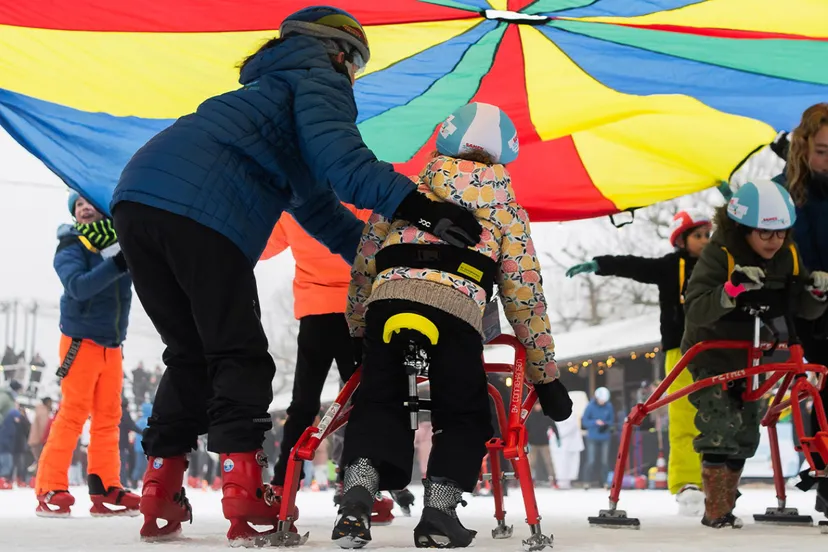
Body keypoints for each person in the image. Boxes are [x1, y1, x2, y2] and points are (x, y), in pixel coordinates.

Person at [109, 6, 481, 544]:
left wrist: (381, 264)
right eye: (353, 63)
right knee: (238, 354)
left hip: (137, 198)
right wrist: (423, 210)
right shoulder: (318, 78)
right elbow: (347, 166)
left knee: (189, 352)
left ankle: (159, 485)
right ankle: (242, 489)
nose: (351, 74)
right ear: (338, 52)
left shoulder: (271, 96)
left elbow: (321, 209)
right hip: (202, 210)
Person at [333, 102, 572, 548]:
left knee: (379, 399)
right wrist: (545, 376)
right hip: (455, 310)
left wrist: (358, 328)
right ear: (504, 154)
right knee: (464, 410)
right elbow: (525, 298)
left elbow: (365, 261)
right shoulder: (507, 212)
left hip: (389, 301)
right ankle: (439, 514)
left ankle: (356, 498)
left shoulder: (408, 192)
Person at [682, 179, 828, 528]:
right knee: (719, 423)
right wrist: (731, 288)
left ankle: (726, 505)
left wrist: (817, 294)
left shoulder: (787, 256)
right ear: (743, 229)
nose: (774, 242)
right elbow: (696, 309)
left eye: (780, 234)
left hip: (753, 354)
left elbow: (803, 309)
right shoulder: (720, 254)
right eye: (765, 234)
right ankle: (715, 510)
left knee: (747, 431)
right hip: (711, 352)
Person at [261, 208, 413, 523]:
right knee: (360, 403)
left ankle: (281, 483)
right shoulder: (361, 201)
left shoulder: (294, 208)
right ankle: (355, 483)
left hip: (315, 315)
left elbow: (263, 247)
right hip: (357, 312)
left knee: (302, 404)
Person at [566, 210, 712, 512]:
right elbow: (635, 265)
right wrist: (601, 264)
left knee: (717, 416)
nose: (705, 241)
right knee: (684, 416)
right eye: (698, 235)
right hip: (681, 350)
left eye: (708, 235)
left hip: (715, 351)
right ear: (681, 241)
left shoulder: (717, 267)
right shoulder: (671, 267)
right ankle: (687, 482)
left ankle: (718, 478)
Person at [35, 191, 139, 517]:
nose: (84, 208)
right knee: (72, 414)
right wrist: (117, 265)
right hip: (80, 342)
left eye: (89, 202)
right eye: (78, 205)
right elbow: (78, 286)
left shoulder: (119, 244)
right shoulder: (71, 245)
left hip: (112, 345)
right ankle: (50, 486)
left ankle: (105, 487)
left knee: (109, 419)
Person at [765, 104, 828, 513]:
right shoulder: (781, 192)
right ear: (803, 147)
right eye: (822, 150)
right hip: (806, 309)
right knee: (820, 391)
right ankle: (823, 477)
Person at [581, 387, 614, 489]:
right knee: (591, 460)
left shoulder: (609, 406)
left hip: (605, 437)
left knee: (605, 461)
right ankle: (586, 482)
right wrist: (595, 422)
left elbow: (611, 420)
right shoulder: (590, 406)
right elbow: (584, 421)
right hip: (592, 436)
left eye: (604, 401)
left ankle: (605, 482)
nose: (602, 402)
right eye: (601, 400)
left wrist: (606, 424)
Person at [550, 414, 583, 489]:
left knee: (569, 464)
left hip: (570, 444)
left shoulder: (570, 415)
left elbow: (569, 428)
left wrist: (556, 434)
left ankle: (566, 482)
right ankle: (561, 481)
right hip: (559, 444)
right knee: (560, 463)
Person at [27, 397, 53, 465]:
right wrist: (45, 440)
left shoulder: (40, 410)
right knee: (41, 461)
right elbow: (43, 427)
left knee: (38, 460)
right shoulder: (43, 413)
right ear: (47, 402)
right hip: (39, 441)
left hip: (34, 440)